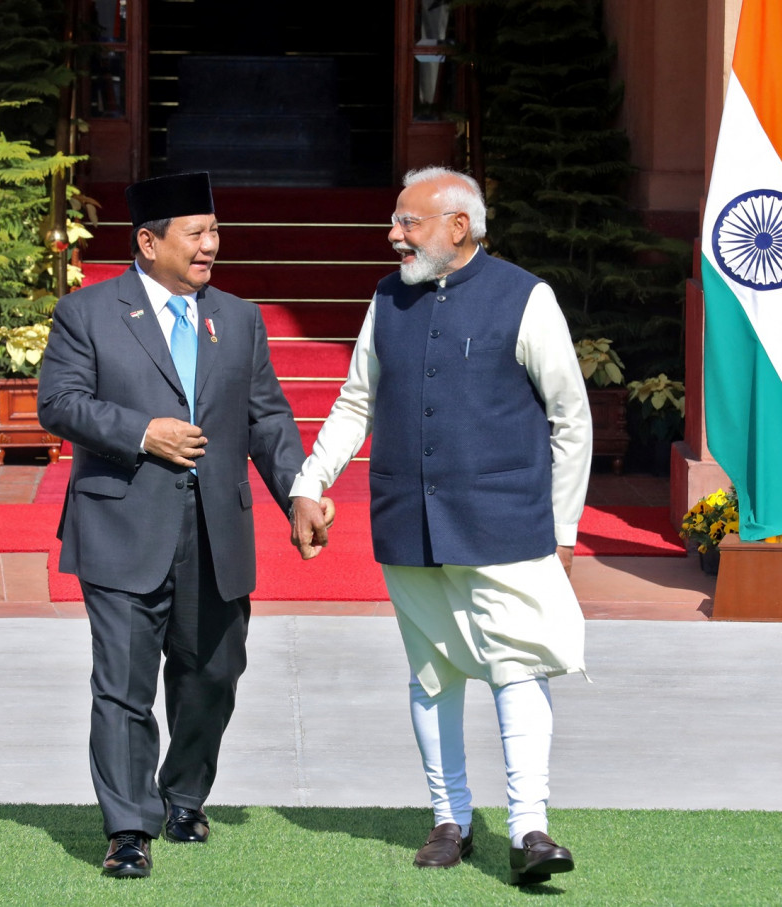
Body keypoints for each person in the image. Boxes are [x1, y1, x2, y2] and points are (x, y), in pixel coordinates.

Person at [289, 166, 591, 886]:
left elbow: (570, 419)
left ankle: (528, 826)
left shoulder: (527, 296)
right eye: (396, 221)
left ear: (459, 227)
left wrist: (565, 529)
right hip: (408, 520)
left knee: (517, 663)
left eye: (408, 222)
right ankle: (448, 819)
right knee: (433, 674)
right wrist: (309, 482)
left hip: (507, 524)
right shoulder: (386, 299)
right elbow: (356, 402)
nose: (393, 234)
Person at [38, 171, 330, 879]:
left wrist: (299, 489)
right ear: (148, 241)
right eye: (196, 233)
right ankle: (128, 827)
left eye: (215, 231)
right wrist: (144, 433)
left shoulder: (238, 318)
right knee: (122, 684)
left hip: (214, 532)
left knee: (213, 674)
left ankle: (185, 794)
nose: (211, 245)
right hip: (121, 529)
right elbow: (60, 403)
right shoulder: (88, 314)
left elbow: (267, 416)